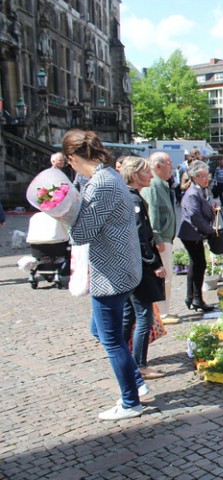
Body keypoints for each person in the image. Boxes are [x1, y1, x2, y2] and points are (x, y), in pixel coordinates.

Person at [61, 129, 148, 421]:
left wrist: (61, 214)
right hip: (120, 267)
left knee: (111, 340)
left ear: (72, 157)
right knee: (99, 331)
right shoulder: (106, 176)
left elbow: (83, 232)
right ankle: (135, 382)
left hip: (112, 272)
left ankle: (130, 401)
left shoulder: (102, 183)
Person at [120, 157, 167, 379]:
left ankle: (124, 358)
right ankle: (139, 364)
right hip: (140, 267)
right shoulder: (134, 201)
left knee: (130, 314)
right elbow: (141, 238)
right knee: (143, 315)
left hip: (131, 265)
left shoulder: (130, 197)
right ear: (135, 175)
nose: (150, 176)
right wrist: (154, 264)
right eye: (147, 172)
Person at [141, 152, 178, 325]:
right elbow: (152, 213)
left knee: (168, 275)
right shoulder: (153, 184)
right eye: (169, 163)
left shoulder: (161, 183)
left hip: (166, 237)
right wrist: (157, 237)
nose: (171, 167)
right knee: (165, 276)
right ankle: (162, 313)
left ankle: (164, 311)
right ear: (157, 166)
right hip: (161, 238)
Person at [177, 160, 218, 312]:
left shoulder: (201, 189)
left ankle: (194, 297)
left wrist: (212, 211)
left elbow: (201, 211)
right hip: (191, 234)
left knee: (198, 265)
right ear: (194, 177)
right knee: (198, 264)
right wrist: (210, 231)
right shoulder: (193, 192)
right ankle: (195, 298)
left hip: (195, 233)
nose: (206, 179)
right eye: (202, 176)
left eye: (207, 175)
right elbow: (195, 216)